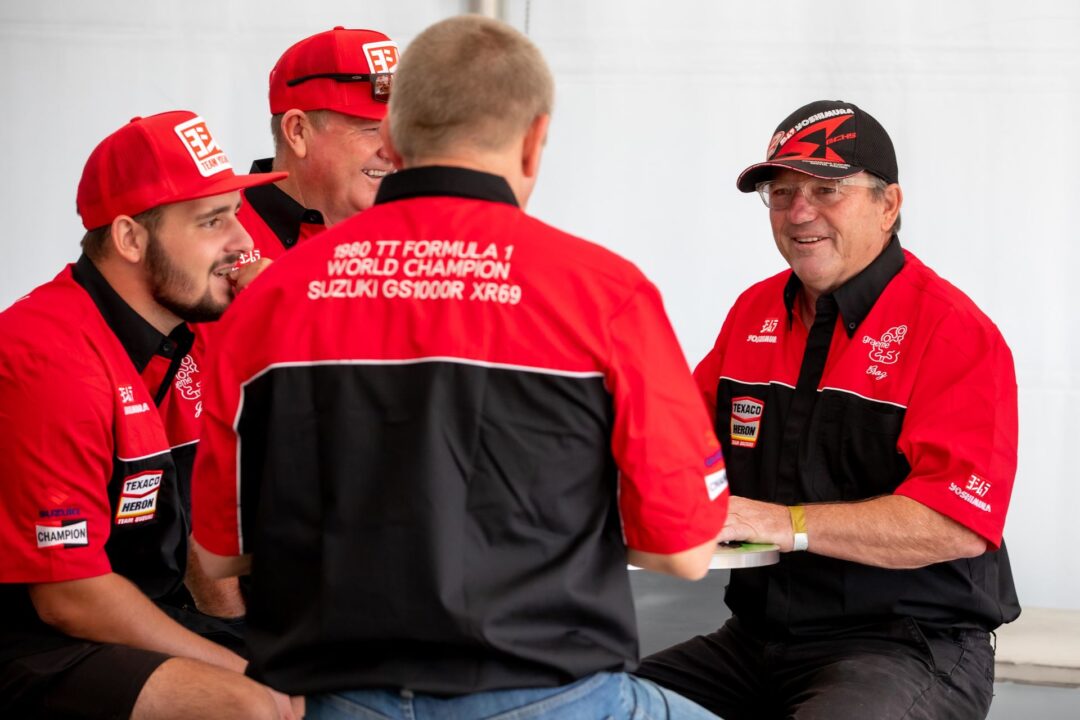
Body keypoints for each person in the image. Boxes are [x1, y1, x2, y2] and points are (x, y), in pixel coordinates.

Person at [192, 15, 729, 720]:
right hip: (550, 696)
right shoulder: (606, 294)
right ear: (535, 139)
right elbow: (685, 553)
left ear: (393, 139)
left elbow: (219, 556)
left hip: (337, 701)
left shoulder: (271, 297)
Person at [635, 100, 1020, 719]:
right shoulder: (754, 312)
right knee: (582, 704)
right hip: (753, 642)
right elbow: (672, 443)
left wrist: (783, 522)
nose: (799, 212)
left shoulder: (952, 331)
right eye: (782, 193)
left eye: (826, 189)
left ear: (889, 205)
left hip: (907, 647)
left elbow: (956, 524)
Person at [0, 111, 299, 719]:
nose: (242, 243)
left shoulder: (184, 333)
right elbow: (69, 597)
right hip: (34, 638)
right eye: (212, 221)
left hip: (127, 615)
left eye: (236, 214)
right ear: (131, 239)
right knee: (252, 706)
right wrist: (248, 671)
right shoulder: (46, 353)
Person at [234, 26, 399, 282]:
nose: (393, 152)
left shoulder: (412, 240)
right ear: (298, 131)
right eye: (372, 129)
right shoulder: (219, 242)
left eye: (399, 130)